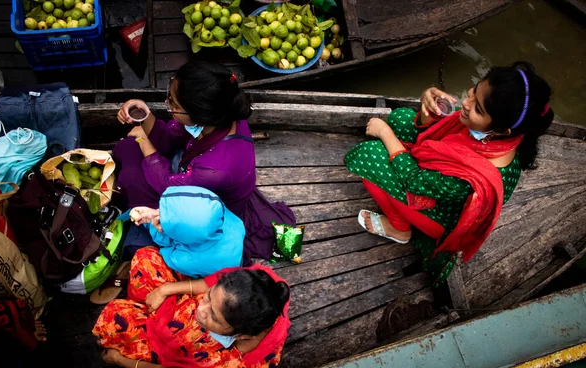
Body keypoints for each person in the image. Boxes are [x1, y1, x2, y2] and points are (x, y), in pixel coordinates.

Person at [344, 61, 554, 286]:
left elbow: (414, 181)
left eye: (477, 108)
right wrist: (428, 108)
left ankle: (400, 228)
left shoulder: (477, 178)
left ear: (502, 130)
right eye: (473, 92)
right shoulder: (494, 133)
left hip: (440, 216)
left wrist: (386, 134)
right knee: (400, 118)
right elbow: (434, 133)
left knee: (370, 154)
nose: (466, 102)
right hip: (436, 180)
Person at [113, 61, 295, 263]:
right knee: (127, 150)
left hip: (208, 202)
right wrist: (144, 114)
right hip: (193, 170)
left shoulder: (215, 169)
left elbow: (166, 184)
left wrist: (142, 139)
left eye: (173, 104)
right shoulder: (221, 114)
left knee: (132, 176)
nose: (169, 106)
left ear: (199, 115)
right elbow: (173, 135)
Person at [93, 247, 290, 368]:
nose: (200, 310)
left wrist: (119, 360)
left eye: (213, 316)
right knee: (146, 258)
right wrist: (166, 290)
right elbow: (211, 283)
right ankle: (142, 305)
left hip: (180, 346)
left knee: (113, 320)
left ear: (243, 336)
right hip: (178, 313)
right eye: (208, 298)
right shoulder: (265, 287)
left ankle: (137, 309)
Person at [127, 186, 245, 278]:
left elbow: (167, 250)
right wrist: (154, 213)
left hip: (207, 266)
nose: (159, 211)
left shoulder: (186, 261)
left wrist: (155, 228)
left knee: (135, 244)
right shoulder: (214, 208)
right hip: (231, 248)